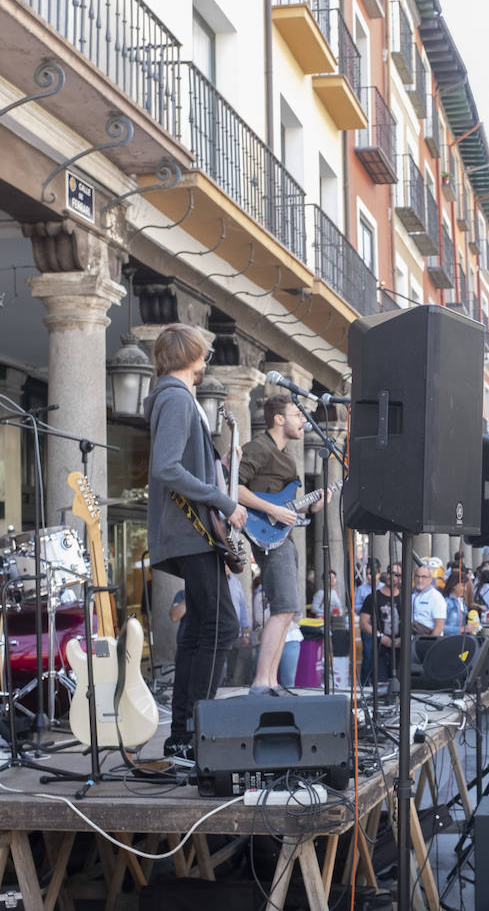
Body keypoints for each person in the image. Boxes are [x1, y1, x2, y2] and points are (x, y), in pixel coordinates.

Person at [144, 324, 248, 759]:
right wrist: (225, 500)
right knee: (222, 626)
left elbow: (180, 464)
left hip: (188, 533)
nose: (206, 360)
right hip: (191, 534)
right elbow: (166, 467)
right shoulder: (175, 398)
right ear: (191, 356)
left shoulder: (172, 397)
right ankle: (194, 731)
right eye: (203, 354)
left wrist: (217, 464)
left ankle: (183, 732)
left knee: (198, 628)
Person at [237, 392, 327, 697]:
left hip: (281, 536)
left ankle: (271, 681)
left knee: (288, 609)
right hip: (266, 536)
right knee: (282, 608)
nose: (303, 420)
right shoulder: (259, 447)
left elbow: (284, 504)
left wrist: (311, 505)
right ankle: (261, 681)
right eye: (297, 415)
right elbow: (233, 488)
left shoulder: (286, 457)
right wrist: (275, 511)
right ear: (278, 418)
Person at [360, 563, 402, 687]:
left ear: (401, 578)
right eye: (390, 572)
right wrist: (380, 636)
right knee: (380, 686)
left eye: (396, 574)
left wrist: (403, 639)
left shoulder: (405, 597)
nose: (392, 576)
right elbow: (363, 623)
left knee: (399, 686)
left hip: (400, 649)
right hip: (379, 649)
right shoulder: (373, 597)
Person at [411, 564, 446, 636]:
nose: (420, 580)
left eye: (424, 577)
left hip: (426, 641)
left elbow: (439, 627)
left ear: (430, 579)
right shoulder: (412, 596)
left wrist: (430, 644)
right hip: (412, 641)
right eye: (417, 576)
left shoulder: (436, 597)